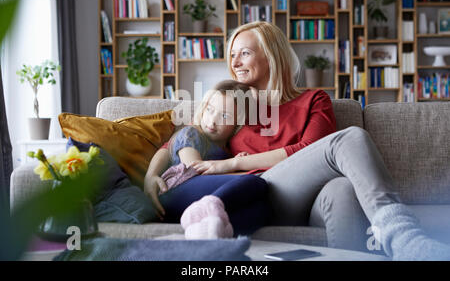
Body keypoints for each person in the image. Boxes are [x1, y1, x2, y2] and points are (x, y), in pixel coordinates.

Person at [145, 21, 450, 260]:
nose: (235, 62)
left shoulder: (313, 99)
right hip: (254, 195)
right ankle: (405, 237)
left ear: (272, 55)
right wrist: (151, 174)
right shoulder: (233, 106)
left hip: (308, 197)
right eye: (232, 55)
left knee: (342, 188)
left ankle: (391, 244)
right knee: (351, 137)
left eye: (245, 53)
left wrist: (232, 162)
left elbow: (311, 151)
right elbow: (184, 136)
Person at [144, 80, 269, 239]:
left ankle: (209, 229)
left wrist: (235, 166)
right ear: (203, 108)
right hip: (175, 193)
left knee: (261, 210)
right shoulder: (191, 133)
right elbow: (194, 170)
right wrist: (237, 172)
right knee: (256, 182)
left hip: (197, 199)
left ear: (238, 123)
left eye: (224, 115)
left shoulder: (228, 150)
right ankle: (201, 214)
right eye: (210, 110)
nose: (212, 120)